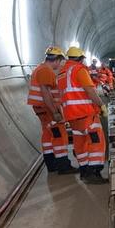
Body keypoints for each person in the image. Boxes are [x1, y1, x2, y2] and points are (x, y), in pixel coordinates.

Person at [57, 47, 109, 184]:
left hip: (72, 116)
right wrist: (101, 105)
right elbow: (90, 90)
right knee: (96, 141)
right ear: (80, 59)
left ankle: (84, 172)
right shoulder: (79, 69)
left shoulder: (61, 73)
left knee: (80, 143)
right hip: (86, 113)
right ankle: (94, 172)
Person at [26, 46, 77, 174]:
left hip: (40, 108)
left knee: (48, 135)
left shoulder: (39, 68)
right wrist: (55, 112)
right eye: (60, 61)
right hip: (47, 108)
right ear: (57, 59)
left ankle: (51, 164)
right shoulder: (46, 70)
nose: (59, 65)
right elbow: (45, 93)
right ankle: (63, 166)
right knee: (59, 134)